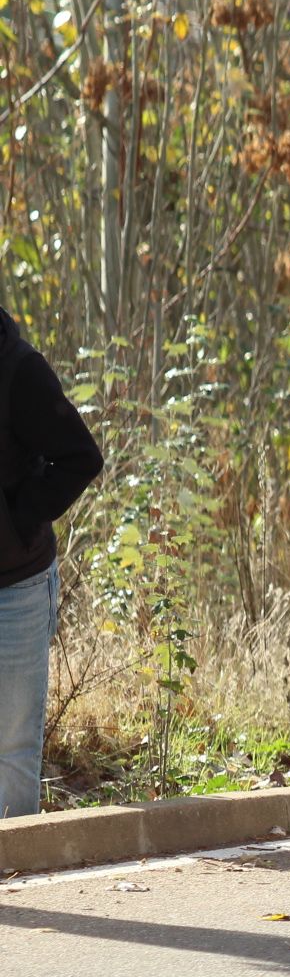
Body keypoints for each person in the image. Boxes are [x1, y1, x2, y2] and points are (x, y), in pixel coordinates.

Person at [0, 306, 103, 818]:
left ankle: (19, 880)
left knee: (12, 747)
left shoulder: (19, 369)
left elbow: (82, 458)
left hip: (15, 587)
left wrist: (18, 519)